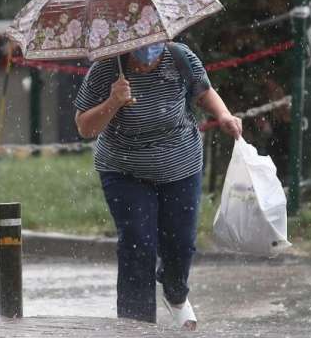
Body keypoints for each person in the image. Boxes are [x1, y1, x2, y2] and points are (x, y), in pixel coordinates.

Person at [74, 41, 242, 330]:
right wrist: (113, 101)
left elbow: (203, 92)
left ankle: (176, 292)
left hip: (181, 165)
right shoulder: (106, 68)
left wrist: (223, 115)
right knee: (138, 243)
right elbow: (85, 127)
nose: (147, 57)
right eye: (140, 50)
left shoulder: (179, 56)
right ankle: (135, 324)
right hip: (124, 169)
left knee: (181, 243)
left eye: (154, 48)